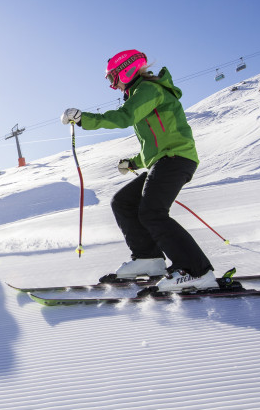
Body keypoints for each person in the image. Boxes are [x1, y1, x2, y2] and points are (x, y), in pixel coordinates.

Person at [61, 49, 215, 292]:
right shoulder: (142, 92)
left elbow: (125, 117)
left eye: (113, 78)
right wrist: (134, 162)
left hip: (176, 158)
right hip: (164, 158)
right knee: (122, 202)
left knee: (153, 212)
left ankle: (197, 271)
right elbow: (155, 142)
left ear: (127, 69)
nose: (113, 85)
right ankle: (149, 259)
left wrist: (84, 119)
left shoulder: (148, 90)